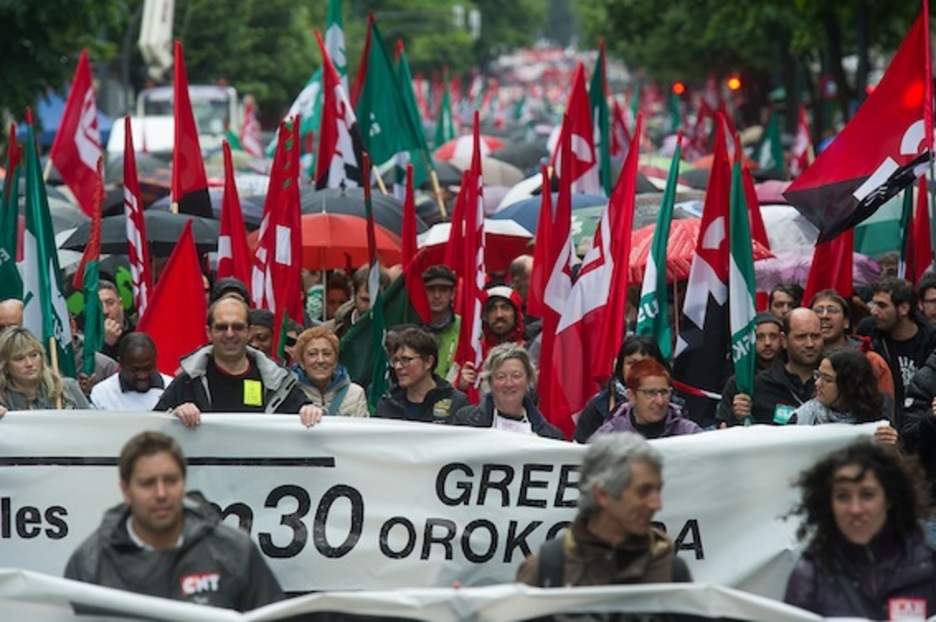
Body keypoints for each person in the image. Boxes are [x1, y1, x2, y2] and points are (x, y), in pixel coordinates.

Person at [64, 431, 284, 611]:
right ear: (126, 491)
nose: (161, 493)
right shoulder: (89, 564)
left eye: (170, 480)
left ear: (184, 484)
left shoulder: (235, 551)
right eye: (147, 483)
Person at [516, 433, 691, 589]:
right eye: (643, 491)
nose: (656, 504)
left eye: (658, 490)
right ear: (602, 494)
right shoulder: (546, 571)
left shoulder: (672, 573)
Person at [784, 441, 936, 619]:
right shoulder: (810, 576)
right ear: (829, 504)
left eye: (867, 495)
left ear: (889, 499)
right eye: (843, 496)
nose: (855, 509)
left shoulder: (928, 567)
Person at [154, 297, 324, 427]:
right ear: (209, 332)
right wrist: (173, 415)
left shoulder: (277, 381)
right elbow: (153, 429)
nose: (229, 334)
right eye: (222, 327)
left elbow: (311, 420)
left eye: (237, 327)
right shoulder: (187, 382)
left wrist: (310, 410)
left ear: (249, 332)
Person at [717, 308, 822, 426]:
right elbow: (726, 433)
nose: (810, 344)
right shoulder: (753, 386)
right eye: (801, 337)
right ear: (784, 340)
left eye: (815, 336)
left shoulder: (836, 381)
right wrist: (736, 417)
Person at [810, 289, 895, 418]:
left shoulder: (871, 361)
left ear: (846, 322)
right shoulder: (802, 358)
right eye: (818, 311)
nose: (824, 316)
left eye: (832, 310)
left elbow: (885, 410)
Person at [572, 336, 675, 443]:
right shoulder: (600, 405)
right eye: (632, 363)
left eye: (646, 363)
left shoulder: (676, 408)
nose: (638, 369)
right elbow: (580, 449)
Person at [452, 343, 564, 439]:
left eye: (516, 376)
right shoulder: (465, 421)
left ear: (528, 379)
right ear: (490, 381)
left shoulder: (552, 436)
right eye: (501, 377)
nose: (509, 383)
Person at [589, 359, 702, 441]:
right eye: (650, 393)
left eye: (664, 392)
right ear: (631, 396)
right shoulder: (608, 437)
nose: (660, 401)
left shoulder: (689, 433)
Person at [868, 277, 936, 413]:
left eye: (882, 306)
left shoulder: (932, 339)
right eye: (873, 304)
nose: (873, 311)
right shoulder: (870, 335)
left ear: (903, 308)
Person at [375, 327, 469, 423]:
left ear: (428, 362)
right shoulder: (388, 404)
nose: (398, 367)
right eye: (395, 361)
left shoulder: (456, 403)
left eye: (406, 360)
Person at [0, 327, 89, 416]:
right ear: (5, 365)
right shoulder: (2, 399)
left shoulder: (67, 388)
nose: (29, 363)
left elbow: (91, 423)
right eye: (19, 359)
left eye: (34, 355)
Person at [455, 285, 526, 391]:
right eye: (492, 309)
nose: (499, 315)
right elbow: (445, 396)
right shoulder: (472, 354)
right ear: (485, 316)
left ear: (516, 314)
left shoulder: (530, 351)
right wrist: (458, 386)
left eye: (505, 307)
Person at [792, 349, 887, 426]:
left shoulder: (878, 422)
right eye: (818, 375)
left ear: (849, 385)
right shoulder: (801, 417)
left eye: (828, 380)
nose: (817, 383)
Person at [291, 326, 368, 417]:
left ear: (336, 360)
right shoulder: (290, 394)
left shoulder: (355, 394)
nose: (320, 360)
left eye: (327, 354)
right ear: (302, 362)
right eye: (312, 354)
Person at [90, 333, 173, 411]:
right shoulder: (102, 393)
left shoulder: (173, 388)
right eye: (134, 370)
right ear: (121, 363)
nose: (142, 376)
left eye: (148, 368)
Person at [421, 264, 461, 379]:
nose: (437, 296)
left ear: (452, 293)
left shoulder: (465, 328)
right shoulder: (412, 328)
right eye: (431, 289)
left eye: (443, 290)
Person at [99, 280, 135, 361]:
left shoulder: (138, 329)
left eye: (110, 303)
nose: (105, 311)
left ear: (120, 304)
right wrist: (106, 345)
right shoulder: (85, 341)